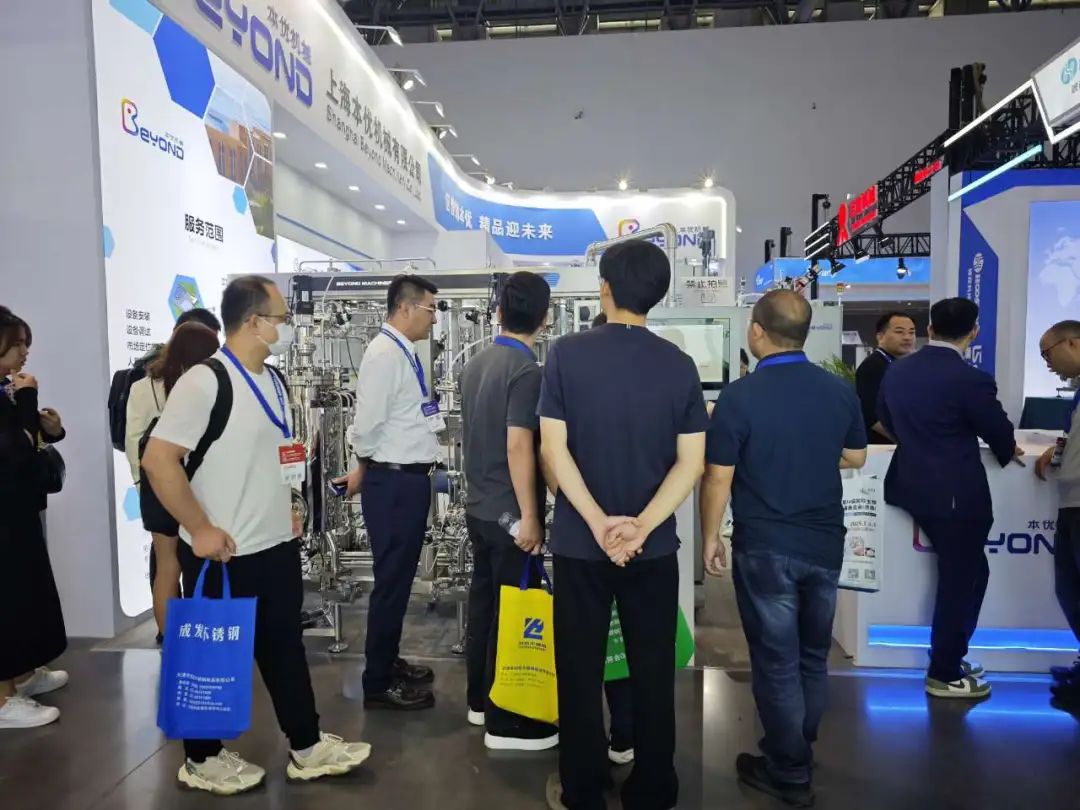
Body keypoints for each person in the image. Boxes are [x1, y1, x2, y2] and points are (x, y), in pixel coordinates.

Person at [142, 276, 370, 795]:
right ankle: (201, 759)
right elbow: (159, 461)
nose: (286, 327)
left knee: (284, 647)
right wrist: (199, 529)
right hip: (224, 553)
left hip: (274, 545)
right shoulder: (205, 382)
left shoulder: (275, 381)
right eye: (281, 318)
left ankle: (307, 745)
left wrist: (288, 504)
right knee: (210, 655)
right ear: (253, 321)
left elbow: (274, 454)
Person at [539, 241, 708, 810]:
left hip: (580, 546)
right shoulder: (679, 364)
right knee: (654, 670)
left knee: (579, 670)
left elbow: (554, 450)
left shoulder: (566, 354)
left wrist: (596, 522)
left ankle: (583, 787)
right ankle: (655, 786)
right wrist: (640, 527)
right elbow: (691, 463)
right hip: (652, 549)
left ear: (605, 288)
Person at [699, 290, 867, 808]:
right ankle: (798, 749)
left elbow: (718, 476)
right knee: (812, 656)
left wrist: (710, 536)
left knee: (775, 661)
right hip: (825, 543)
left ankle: (788, 770)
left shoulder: (739, 396)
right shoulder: (838, 391)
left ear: (756, 331)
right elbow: (856, 456)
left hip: (766, 545)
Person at [879, 297, 1019, 700]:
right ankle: (943, 672)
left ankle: (948, 656)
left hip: (911, 485)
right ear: (974, 332)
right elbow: (1000, 435)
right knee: (963, 580)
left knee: (969, 575)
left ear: (929, 329)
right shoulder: (971, 379)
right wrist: (1007, 450)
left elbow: (885, 418)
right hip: (956, 495)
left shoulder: (898, 371)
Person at [460, 271, 559, 751]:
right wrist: (531, 516)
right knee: (514, 611)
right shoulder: (527, 372)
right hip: (510, 516)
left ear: (499, 312)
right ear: (545, 318)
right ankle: (507, 722)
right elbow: (519, 445)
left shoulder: (475, 363)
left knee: (484, 607)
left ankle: (478, 702)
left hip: (479, 509)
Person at [339, 274, 442, 711]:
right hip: (393, 483)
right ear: (405, 307)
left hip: (405, 479)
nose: (434, 318)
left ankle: (388, 659)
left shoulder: (403, 352)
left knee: (398, 581)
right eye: (430, 309)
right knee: (391, 583)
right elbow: (366, 426)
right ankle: (378, 683)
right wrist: (364, 464)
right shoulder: (383, 354)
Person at [126, 322, 220, 643]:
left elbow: (134, 442)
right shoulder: (204, 386)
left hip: (155, 486)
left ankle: (171, 640)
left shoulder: (143, 387)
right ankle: (202, 637)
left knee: (166, 566)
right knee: (201, 563)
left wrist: (143, 485)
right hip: (194, 486)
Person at [0, 307, 68, 729]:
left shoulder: (7, 389)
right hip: (5, 514)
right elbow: (15, 451)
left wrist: (50, 429)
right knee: (7, 598)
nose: (24, 352)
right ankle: (3, 699)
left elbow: (26, 443)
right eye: (18, 344)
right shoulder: (14, 392)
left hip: (17, 511)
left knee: (25, 593)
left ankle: (21, 675)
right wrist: (27, 401)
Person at [1032, 320, 1080, 705]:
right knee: (1068, 587)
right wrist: (1060, 449)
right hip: (1070, 501)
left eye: (1048, 354)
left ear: (1073, 344)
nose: (1048, 364)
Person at [855, 311, 917, 444]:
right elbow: (871, 416)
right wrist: (907, 442)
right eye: (899, 332)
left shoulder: (899, 365)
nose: (907, 337)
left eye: (911, 332)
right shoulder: (873, 366)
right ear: (880, 336)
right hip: (880, 447)